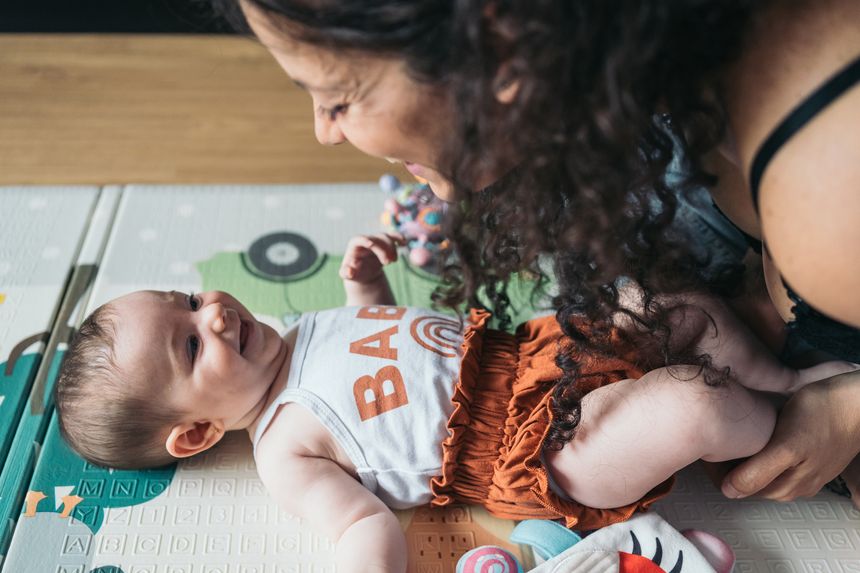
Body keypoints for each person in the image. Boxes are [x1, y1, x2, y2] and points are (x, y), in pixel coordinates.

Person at [209, 0, 860, 505]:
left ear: (501, 48)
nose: (325, 133)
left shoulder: (826, 204)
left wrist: (843, 412)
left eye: (338, 98)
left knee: (707, 394)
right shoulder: (627, 85)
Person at [55, 233, 855, 571]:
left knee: (665, 298)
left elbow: (378, 337)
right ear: (195, 431)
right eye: (193, 345)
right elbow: (360, 524)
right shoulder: (284, 446)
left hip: (542, 350)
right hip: (546, 451)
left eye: (188, 297)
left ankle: (787, 386)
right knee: (691, 404)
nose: (216, 311)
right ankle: (782, 429)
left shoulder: (298, 327)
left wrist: (363, 284)